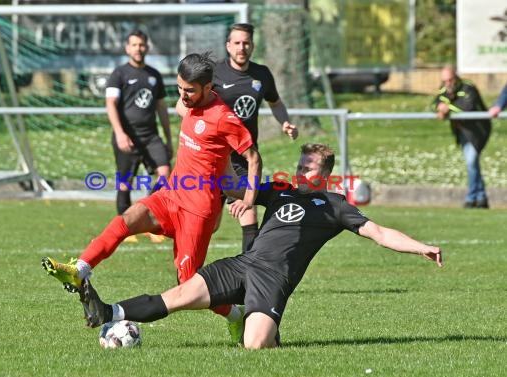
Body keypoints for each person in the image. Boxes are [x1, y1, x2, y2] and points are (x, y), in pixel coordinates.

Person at [77, 143, 443, 350]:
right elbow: (234, 187)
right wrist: (213, 161)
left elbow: (379, 232)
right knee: (177, 296)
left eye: (309, 170)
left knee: (256, 347)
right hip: (243, 264)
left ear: (326, 174)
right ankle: (108, 312)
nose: (301, 173)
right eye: (300, 166)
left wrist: (420, 246)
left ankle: (265, 325)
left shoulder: (335, 206)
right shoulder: (279, 189)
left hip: (273, 280)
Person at [42, 52, 262, 343]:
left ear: (209, 88)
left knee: (187, 283)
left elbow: (253, 157)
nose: (183, 95)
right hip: (171, 195)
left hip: (198, 210)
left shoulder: (224, 118)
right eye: (180, 88)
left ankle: (236, 315)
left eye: (190, 90)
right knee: (127, 219)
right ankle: (79, 269)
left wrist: (248, 198)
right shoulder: (188, 105)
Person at [213, 23, 298, 252]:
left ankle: (247, 274)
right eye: (237, 43)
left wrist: (285, 122)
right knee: (210, 225)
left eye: (246, 43)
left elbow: (276, 103)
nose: (242, 48)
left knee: (248, 211)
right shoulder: (214, 73)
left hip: (243, 158)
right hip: (214, 158)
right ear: (228, 45)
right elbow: (186, 106)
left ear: (252, 46)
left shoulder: (262, 74)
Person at [105, 30, 173, 243]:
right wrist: (120, 133)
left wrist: (169, 138)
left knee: (165, 175)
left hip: (151, 136)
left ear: (147, 47)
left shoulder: (154, 75)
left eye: (141, 45)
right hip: (128, 136)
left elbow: (161, 107)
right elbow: (110, 104)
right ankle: (124, 228)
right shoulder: (119, 74)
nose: (138, 49)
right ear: (127, 48)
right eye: (134, 45)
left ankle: (150, 221)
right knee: (125, 183)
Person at [432, 65, 492, 209]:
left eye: (450, 80)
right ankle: (481, 197)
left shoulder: (468, 87)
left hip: (479, 130)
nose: (447, 84)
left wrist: (447, 108)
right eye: (444, 81)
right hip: (463, 131)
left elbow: (467, 107)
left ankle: (471, 197)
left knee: (471, 160)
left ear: (456, 77)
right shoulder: (444, 90)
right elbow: (436, 103)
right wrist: (439, 108)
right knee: (473, 162)